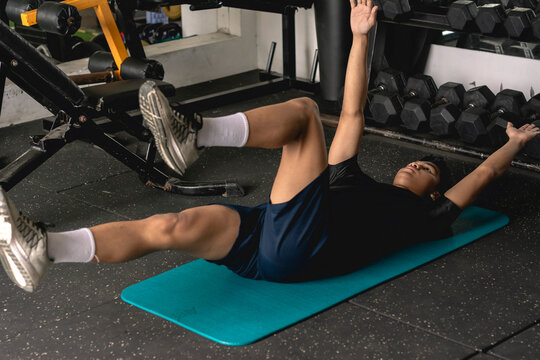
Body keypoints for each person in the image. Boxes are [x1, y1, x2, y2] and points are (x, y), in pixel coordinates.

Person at [1, 0, 538, 293]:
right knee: (171, 226)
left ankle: (196, 133)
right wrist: (360, 36)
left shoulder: (427, 217)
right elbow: (353, 113)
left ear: (431, 194)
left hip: (306, 248)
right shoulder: (352, 178)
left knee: (304, 114)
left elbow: (484, 177)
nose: (418, 163)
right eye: (418, 160)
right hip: (268, 236)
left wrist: (512, 142)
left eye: (428, 170)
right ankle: (45, 249)